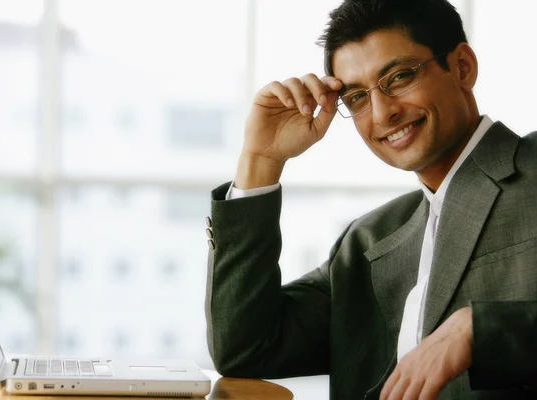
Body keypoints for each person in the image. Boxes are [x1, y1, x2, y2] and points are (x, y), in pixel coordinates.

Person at [204, 0, 537, 398]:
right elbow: (246, 348)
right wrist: (261, 161)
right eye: (357, 97)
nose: (381, 114)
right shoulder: (366, 242)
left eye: (398, 78)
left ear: (462, 67)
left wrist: (480, 331)